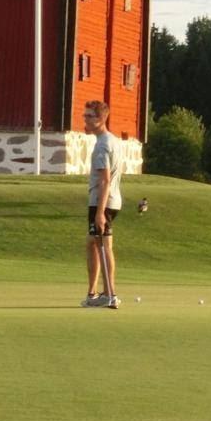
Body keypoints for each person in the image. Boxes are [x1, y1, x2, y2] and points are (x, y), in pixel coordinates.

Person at [80, 100, 124, 310]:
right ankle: (94, 293)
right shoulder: (113, 141)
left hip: (102, 201)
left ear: (101, 119)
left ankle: (109, 294)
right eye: (85, 115)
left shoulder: (102, 145)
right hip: (110, 200)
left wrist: (99, 212)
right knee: (93, 242)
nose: (85, 120)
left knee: (102, 244)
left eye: (89, 116)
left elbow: (105, 179)